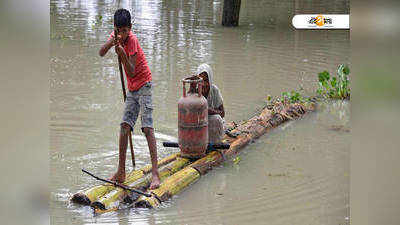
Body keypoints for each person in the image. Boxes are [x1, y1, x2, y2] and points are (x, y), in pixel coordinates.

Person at [98, 9, 160, 189]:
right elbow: (101, 52)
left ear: (130, 28)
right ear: (115, 29)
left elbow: (132, 70)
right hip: (133, 88)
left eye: (125, 31)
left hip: (144, 84)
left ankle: (155, 174)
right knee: (125, 126)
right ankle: (121, 171)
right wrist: (112, 43)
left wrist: (123, 53)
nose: (123, 34)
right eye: (119, 31)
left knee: (147, 128)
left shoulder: (132, 41)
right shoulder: (116, 35)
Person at [196, 64, 225, 144]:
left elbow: (222, 113)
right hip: (199, 125)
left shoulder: (214, 90)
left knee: (216, 118)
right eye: (201, 81)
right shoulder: (194, 91)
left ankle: (214, 145)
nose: (204, 84)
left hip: (213, 126)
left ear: (210, 80)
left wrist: (209, 110)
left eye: (206, 80)